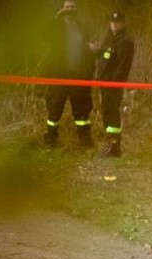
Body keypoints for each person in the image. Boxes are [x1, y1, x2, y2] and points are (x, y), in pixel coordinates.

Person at [42, 0, 95, 148]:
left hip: (78, 75)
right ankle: (51, 139)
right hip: (59, 76)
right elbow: (44, 35)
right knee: (54, 109)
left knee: (82, 111)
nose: (69, 10)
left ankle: (85, 141)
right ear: (62, 9)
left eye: (72, 7)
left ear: (76, 9)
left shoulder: (82, 27)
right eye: (67, 7)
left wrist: (92, 50)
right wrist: (56, 18)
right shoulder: (56, 26)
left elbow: (88, 48)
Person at [90, 11, 135, 157]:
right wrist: (97, 52)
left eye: (118, 22)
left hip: (113, 84)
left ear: (123, 24)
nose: (114, 24)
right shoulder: (109, 38)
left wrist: (114, 82)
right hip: (104, 83)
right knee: (106, 113)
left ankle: (115, 147)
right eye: (112, 22)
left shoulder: (125, 41)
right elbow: (105, 57)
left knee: (111, 113)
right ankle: (110, 144)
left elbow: (123, 66)